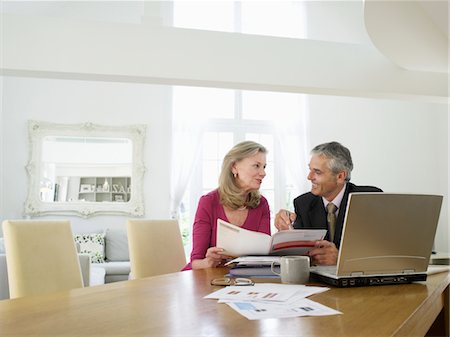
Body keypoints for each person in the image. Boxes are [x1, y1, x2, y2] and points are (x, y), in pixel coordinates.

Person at [275, 141, 382, 266]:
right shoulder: (303, 203)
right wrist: (287, 230)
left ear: (340, 176)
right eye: (310, 170)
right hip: (318, 282)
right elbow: (300, 253)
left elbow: (382, 251)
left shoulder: (369, 199)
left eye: (317, 172)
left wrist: (341, 260)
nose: (309, 177)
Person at [182, 141, 271, 270]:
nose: (263, 173)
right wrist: (209, 262)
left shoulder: (262, 204)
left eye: (264, 167)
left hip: (245, 279)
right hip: (207, 277)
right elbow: (196, 262)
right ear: (234, 167)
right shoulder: (208, 202)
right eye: (256, 166)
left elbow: (263, 256)